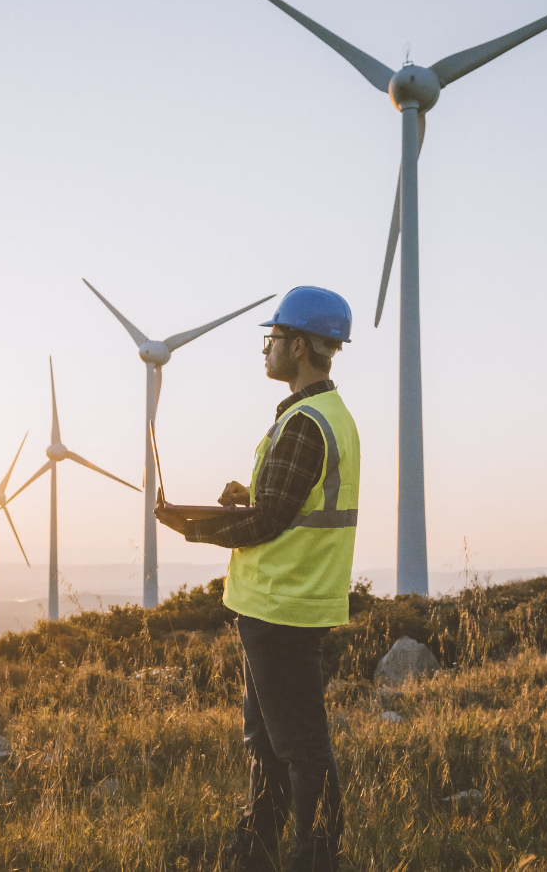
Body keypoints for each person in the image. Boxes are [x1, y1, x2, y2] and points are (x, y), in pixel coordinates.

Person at [155, 285, 359, 872]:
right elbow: (292, 506)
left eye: (271, 338)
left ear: (298, 346)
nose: (265, 349)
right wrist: (245, 499)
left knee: (299, 749)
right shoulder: (326, 417)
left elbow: (270, 523)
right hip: (281, 607)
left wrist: (193, 527)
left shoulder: (304, 424)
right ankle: (255, 854)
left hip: (282, 610)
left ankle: (316, 859)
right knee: (268, 747)